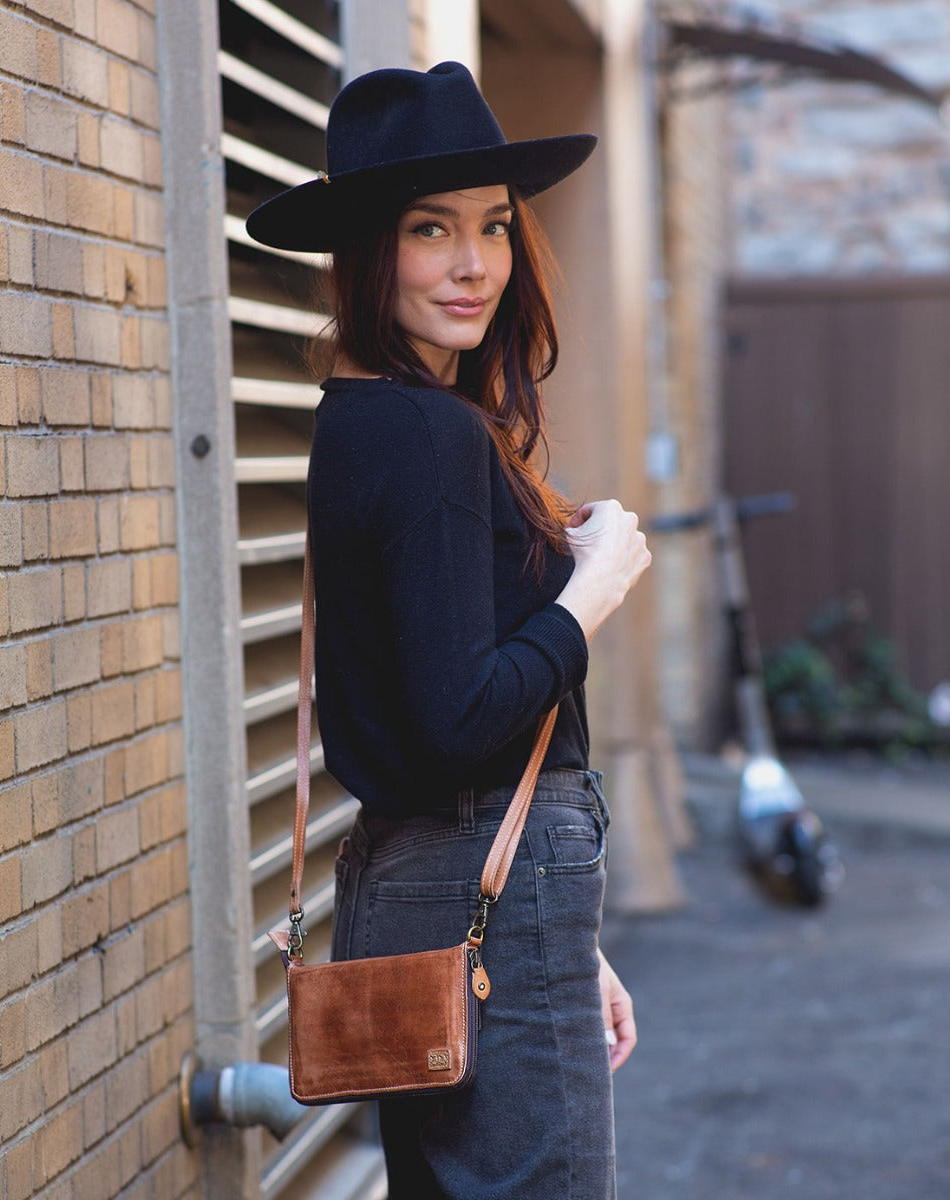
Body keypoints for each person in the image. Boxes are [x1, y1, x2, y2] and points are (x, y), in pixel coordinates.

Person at [246, 61, 651, 1199]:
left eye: (492, 227)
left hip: (438, 884)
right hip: (479, 893)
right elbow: (455, 719)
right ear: (372, 249)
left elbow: (423, 712)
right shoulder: (428, 436)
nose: (474, 265)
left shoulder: (364, 420)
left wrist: (570, 939)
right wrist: (593, 588)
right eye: (431, 231)